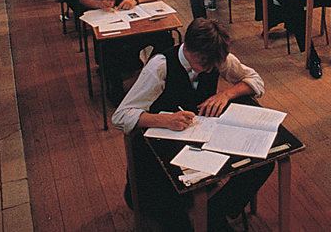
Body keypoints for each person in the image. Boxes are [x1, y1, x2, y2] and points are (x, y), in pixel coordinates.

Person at [111, 17, 273, 232]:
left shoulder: (215, 57)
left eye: (212, 66)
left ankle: (217, 210)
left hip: (197, 137)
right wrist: (164, 119)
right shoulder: (160, 66)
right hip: (160, 150)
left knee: (264, 163)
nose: (208, 70)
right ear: (186, 48)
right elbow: (121, 116)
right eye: (203, 65)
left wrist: (226, 94)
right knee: (181, 225)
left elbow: (255, 81)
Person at [79, 0, 170, 103]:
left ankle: (150, 76)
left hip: (140, 23)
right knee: (109, 48)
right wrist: (101, 4)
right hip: (116, 26)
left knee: (166, 39)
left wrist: (136, 0)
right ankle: (116, 88)